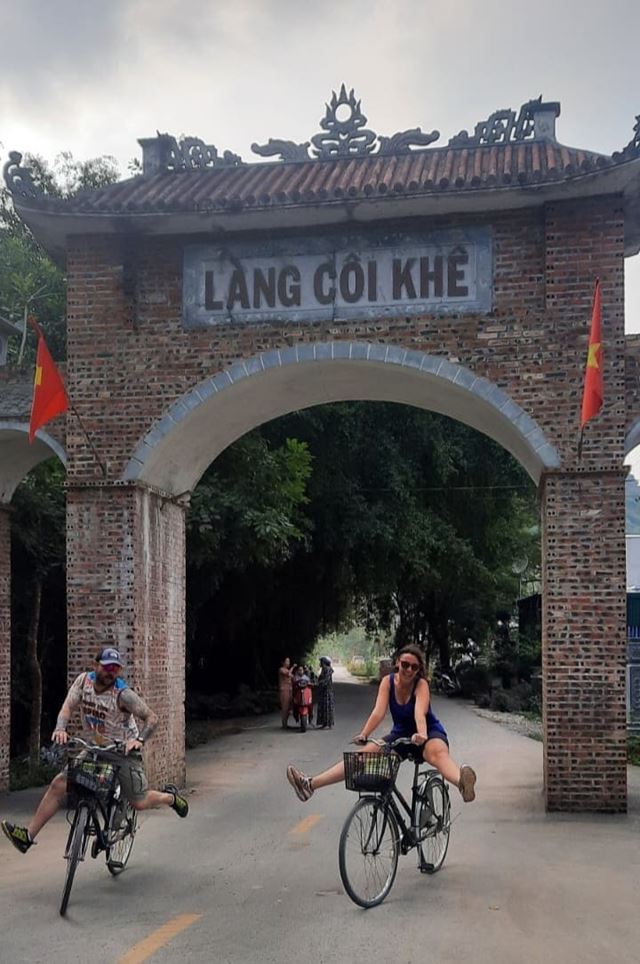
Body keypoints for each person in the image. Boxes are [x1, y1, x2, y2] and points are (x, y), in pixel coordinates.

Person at [1, 647, 189, 855]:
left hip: (122, 753)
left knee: (139, 802)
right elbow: (67, 707)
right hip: (94, 749)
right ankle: (27, 837)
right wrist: (60, 728)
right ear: (96, 665)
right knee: (59, 783)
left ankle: (170, 798)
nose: (111, 672)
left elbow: (152, 718)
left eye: (115, 669)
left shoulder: (123, 695)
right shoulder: (83, 682)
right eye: (107, 667)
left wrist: (138, 740)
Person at [286, 644, 477, 804]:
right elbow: (378, 712)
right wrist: (364, 733)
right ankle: (309, 785)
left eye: (414, 667)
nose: (409, 670)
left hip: (428, 733)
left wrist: (422, 735)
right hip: (400, 735)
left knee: (436, 753)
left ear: (419, 670)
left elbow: (420, 712)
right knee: (361, 757)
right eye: (405, 665)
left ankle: (462, 783)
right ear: (397, 664)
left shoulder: (421, 685)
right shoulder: (387, 682)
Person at [315, 656, 335, 729]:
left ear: (324, 662)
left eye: (321, 662)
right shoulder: (324, 669)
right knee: (324, 707)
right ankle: (325, 723)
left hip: (327, 691)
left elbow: (326, 680)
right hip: (324, 691)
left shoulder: (327, 669)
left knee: (327, 707)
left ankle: (328, 723)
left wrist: (319, 683)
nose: (320, 663)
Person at [278, 657, 294, 728]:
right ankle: (284, 724)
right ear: (283, 662)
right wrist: (293, 667)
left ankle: (286, 724)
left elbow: (292, 676)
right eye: (287, 661)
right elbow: (288, 674)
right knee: (285, 707)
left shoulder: (287, 670)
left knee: (288, 707)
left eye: (289, 661)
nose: (288, 663)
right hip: (284, 690)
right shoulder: (281, 669)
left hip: (289, 690)